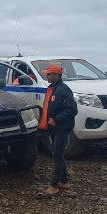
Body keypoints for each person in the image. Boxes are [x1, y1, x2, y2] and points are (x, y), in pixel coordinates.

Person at [35, 64, 78, 199]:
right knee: (57, 153)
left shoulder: (63, 89)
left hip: (61, 127)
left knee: (57, 154)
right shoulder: (53, 88)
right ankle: (64, 181)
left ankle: (54, 186)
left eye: (49, 74)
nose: (46, 76)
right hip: (53, 127)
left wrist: (56, 119)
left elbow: (72, 109)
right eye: (47, 74)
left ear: (56, 75)